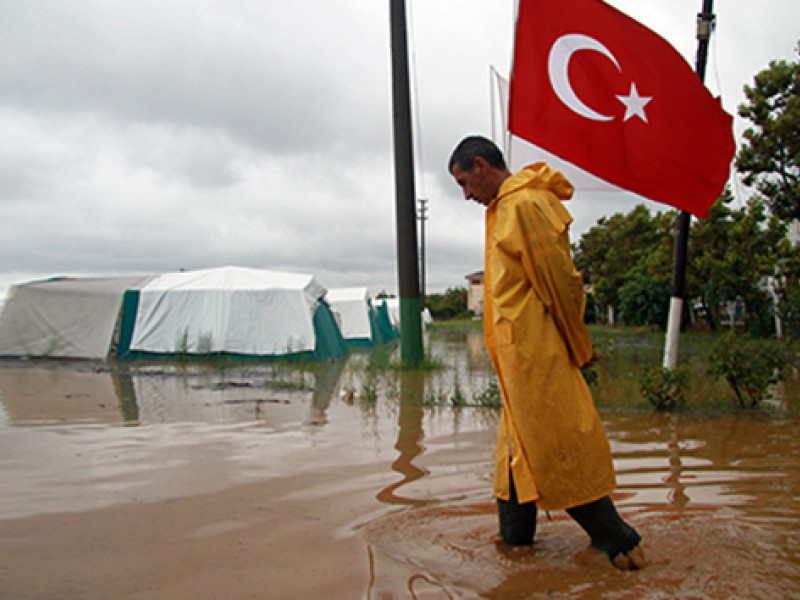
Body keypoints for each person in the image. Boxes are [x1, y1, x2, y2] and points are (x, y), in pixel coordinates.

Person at [448, 135, 646, 570]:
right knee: (515, 455)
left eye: (464, 183)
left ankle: (618, 541)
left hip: (537, 356)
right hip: (516, 363)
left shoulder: (525, 205)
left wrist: (579, 347)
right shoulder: (505, 208)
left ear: (481, 165)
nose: (465, 196)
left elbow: (560, 283)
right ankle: (515, 549)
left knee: (553, 446)